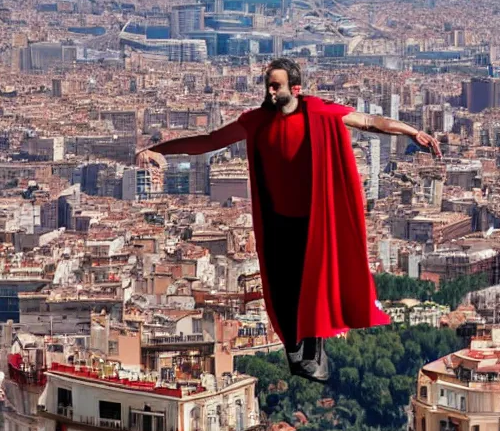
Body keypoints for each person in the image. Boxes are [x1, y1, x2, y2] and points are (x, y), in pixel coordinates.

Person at [136, 58, 442, 383]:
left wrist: (412, 131)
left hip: (313, 218)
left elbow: (368, 121)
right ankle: (299, 352)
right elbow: (210, 141)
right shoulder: (254, 121)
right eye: (268, 84)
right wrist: (160, 149)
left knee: (311, 287)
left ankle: (311, 352)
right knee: (282, 292)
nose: (270, 90)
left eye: (276, 85)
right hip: (278, 221)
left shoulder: (318, 111)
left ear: (294, 88)